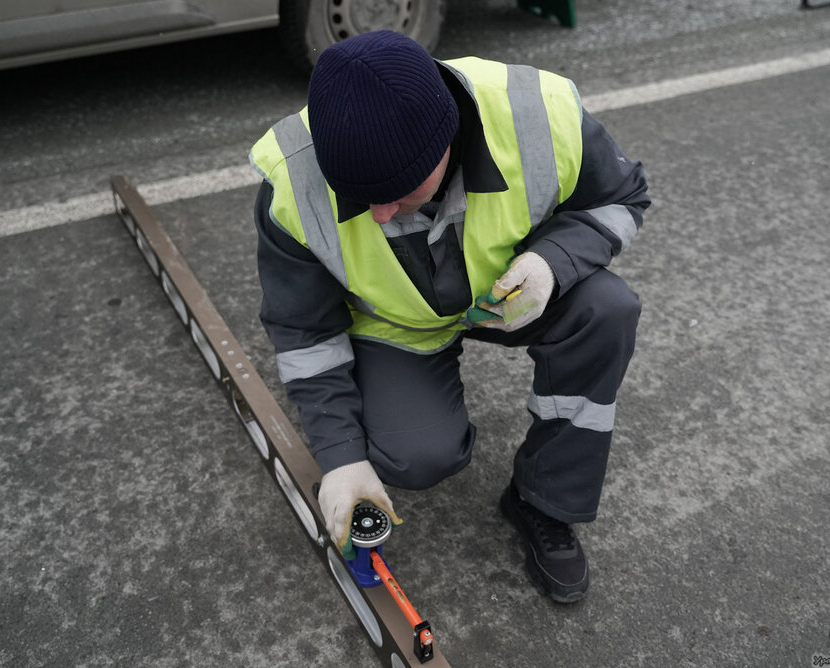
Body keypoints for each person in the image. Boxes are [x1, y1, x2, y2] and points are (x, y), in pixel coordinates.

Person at [249, 30, 649, 603]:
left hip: (510, 291)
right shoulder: (291, 182)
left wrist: (551, 264)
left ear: (447, 140)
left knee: (608, 309)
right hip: (395, 325)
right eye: (361, 199)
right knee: (418, 455)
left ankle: (543, 501)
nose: (381, 216)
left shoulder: (539, 113)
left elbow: (621, 198)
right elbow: (304, 331)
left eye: (397, 192)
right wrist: (341, 458)